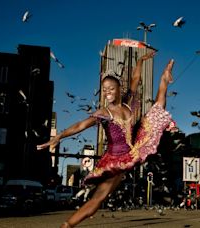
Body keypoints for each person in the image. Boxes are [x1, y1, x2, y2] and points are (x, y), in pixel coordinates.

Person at [37, 51, 176, 228]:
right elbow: (81, 125)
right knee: (98, 200)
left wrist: (140, 61)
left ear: (119, 89)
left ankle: (164, 78)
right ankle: (66, 226)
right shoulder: (104, 113)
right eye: (104, 90)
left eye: (111, 88)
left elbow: (135, 79)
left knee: (157, 111)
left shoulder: (127, 102)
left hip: (133, 148)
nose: (107, 92)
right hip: (116, 160)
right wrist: (59, 136)